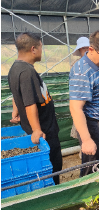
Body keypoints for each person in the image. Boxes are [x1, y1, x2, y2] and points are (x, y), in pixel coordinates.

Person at [8, 32, 62, 184]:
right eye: (40, 47)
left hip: (43, 128)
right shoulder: (27, 72)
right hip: (45, 131)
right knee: (53, 168)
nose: (41, 51)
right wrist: (37, 129)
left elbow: (17, 93)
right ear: (33, 49)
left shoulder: (15, 68)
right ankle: (54, 196)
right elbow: (30, 103)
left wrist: (16, 109)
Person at [69, 30, 99, 177]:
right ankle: (89, 197)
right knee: (92, 169)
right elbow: (76, 108)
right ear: (91, 49)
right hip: (95, 126)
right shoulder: (82, 72)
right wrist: (86, 140)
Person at [70, 36, 90, 142]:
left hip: (94, 108)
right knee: (84, 135)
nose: (86, 50)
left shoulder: (96, 64)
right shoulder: (75, 65)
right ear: (79, 50)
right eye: (83, 48)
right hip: (82, 106)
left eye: (88, 47)